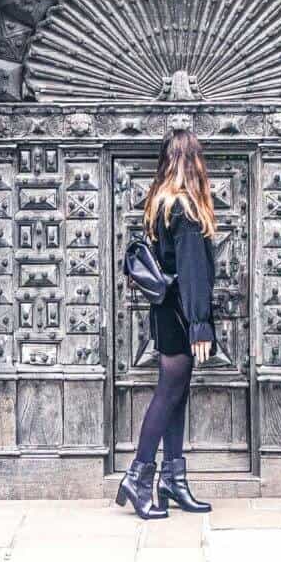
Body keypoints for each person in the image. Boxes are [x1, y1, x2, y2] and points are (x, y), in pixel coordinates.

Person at [115, 130, 217, 520]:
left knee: (176, 394)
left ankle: (173, 480)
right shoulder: (186, 209)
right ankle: (138, 477)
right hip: (180, 314)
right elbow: (192, 272)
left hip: (166, 312)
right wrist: (200, 324)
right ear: (191, 161)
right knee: (168, 394)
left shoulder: (159, 203)